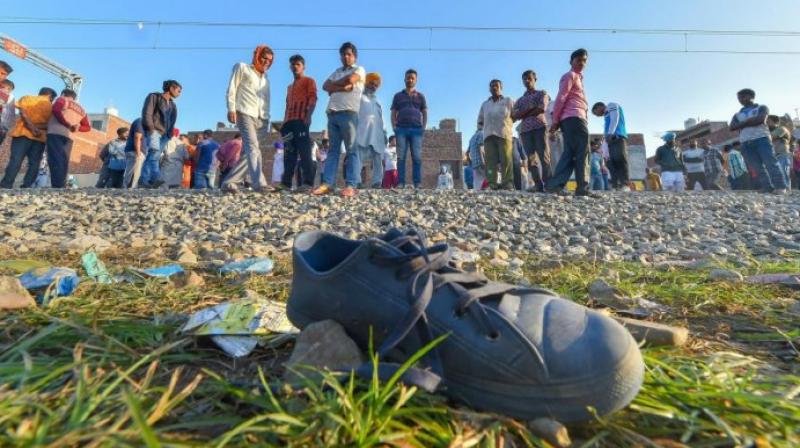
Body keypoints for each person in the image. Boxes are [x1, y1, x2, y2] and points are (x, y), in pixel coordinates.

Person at [313, 42, 366, 197]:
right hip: (332, 113)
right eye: (343, 54)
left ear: (354, 56)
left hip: (349, 113)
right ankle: (328, 184)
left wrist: (334, 87)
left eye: (349, 54)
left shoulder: (359, 69)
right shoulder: (337, 71)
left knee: (352, 149)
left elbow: (351, 79)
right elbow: (325, 86)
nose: (346, 57)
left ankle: (351, 184)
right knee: (333, 151)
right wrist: (341, 87)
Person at [222, 45, 273, 192]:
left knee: (250, 151)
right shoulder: (242, 67)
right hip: (245, 112)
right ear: (257, 56)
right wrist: (231, 108)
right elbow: (232, 88)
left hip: (262, 118)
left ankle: (229, 182)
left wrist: (267, 118)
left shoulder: (266, 79)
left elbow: (266, 100)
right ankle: (259, 183)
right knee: (252, 148)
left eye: (269, 60)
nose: (266, 62)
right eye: (264, 58)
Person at [546, 49, 594, 197]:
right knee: (582, 151)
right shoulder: (570, 76)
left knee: (571, 152)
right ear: (571, 61)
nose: (582, 63)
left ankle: (556, 185)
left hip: (574, 119)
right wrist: (555, 121)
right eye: (579, 60)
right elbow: (561, 98)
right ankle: (581, 187)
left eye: (584, 60)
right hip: (574, 118)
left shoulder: (579, 78)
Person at [729, 88, 787, 194]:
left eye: (743, 97)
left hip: (762, 139)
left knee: (771, 163)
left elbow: (760, 119)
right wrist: (749, 121)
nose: (740, 100)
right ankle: (767, 187)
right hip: (745, 142)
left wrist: (741, 124)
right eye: (739, 98)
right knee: (756, 167)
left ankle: (780, 186)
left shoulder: (762, 107)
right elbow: (732, 127)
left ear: (751, 96)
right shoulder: (737, 114)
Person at [0, 87, 57, 189]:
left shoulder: (27, 98)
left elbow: (22, 113)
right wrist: (36, 128)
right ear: (50, 96)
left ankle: (6, 185)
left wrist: (31, 127)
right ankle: (27, 186)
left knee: (15, 160)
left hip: (22, 133)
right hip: (40, 137)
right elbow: (51, 124)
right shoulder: (52, 107)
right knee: (34, 163)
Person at [279, 54, 317, 193]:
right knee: (289, 153)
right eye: (293, 64)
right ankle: (286, 183)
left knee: (305, 152)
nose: (295, 67)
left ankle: (308, 183)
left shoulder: (309, 81)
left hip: (301, 121)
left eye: (298, 64)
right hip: (288, 123)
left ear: (303, 66)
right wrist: (283, 124)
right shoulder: (289, 87)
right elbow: (287, 105)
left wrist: (308, 116)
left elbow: (313, 98)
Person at [512, 70, 551, 192]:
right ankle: (538, 185)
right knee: (531, 159)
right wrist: (530, 109)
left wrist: (523, 113)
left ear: (535, 79)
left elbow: (542, 108)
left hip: (540, 127)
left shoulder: (542, 93)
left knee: (544, 157)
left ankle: (549, 184)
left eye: (529, 78)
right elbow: (514, 116)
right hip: (525, 131)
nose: (527, 81)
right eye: (524, 79)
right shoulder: (520, 100)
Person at [45, 88, 91, 188]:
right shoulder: (82, 109)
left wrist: (67, 124)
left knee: (55, 159)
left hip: (55, 132)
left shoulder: (62, 99)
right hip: (69, 137)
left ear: (63, 93)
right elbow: (87, 127)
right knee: (64, 160)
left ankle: (57, 186)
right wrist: (77, 128)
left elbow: (56, 110)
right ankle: (61, 184)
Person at [391, 69, 428, 189]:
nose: (410, 80)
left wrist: (423, 127)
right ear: (404, 79)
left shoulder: (421, 96)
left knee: (417, 157)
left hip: (417, 130)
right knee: (401, 157)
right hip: (401, 129)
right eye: (408, 77)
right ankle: (401, 183)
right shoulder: (397, 96)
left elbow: (425, 112)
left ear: (416, 80)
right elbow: (393, 112)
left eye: (412, 78)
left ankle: (417, 183)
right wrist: (394, 127)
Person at [140, 80, 181, 188]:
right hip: (155, 131)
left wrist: (169, 134)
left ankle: (146, 181)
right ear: (171, 88)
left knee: (154, 156)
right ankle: (154, 178)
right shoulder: (154, 97)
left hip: (165, 135)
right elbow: (147, 113)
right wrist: (151, 129)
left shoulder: (173, 105)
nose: (179, 93)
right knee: (153, 154)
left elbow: (172, 121)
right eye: (178, 90)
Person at [477, 80, 514, 190]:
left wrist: (507, 125)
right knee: (490, 161)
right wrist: (482, 129)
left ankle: (507, 183)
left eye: (496, 86)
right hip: (488, 135)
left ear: (501, 87)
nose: (494, 88)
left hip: (504, 134)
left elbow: (515, 114)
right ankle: (491, 183)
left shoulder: (508, 101)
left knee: (506, 159)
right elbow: (480, 120)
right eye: (492, 86)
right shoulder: (485, 104)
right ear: (489, 89)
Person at [355, 73, 386, 189]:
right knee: (358, 157)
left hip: (377, 134)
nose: (373, 86)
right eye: (371, 83)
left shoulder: (378, 101)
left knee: (378, 157)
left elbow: (381, 118)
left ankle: (377, 182)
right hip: (362, 131)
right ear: (366, 83)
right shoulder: (359, 97)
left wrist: (385, 132)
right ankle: (357, 181)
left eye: (376, 85)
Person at [591, 101, 629, 190]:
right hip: (610, 140)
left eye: (595, 113)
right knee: (613, 162)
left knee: (620, 160)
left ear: (599, 107)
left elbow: (615, 118)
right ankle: (616, 185)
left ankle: (625, 184)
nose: (597, 116)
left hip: (618, 137)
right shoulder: (606, 116)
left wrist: (610, 133)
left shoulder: (611, 105)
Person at [768, 114, 792, 188]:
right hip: (775, 155)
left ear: (776, 122)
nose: (767, 123)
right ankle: (780, 188)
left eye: (769, 122)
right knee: (777, 173)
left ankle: (786, 189)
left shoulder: (782, 129)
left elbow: (770, 137)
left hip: (782, 154)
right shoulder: (770, 131)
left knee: (783, 172)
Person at [123, 118, 146, 189]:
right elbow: (137, 137)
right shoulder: (141, 121)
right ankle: (129, 189)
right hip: (135, 151)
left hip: (135, 151)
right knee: (134, 172)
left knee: (133, 171)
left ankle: (129, 188)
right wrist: (138, 154)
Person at [467, 126, 486, 190]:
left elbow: (467, 152)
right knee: (487, 178)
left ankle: (479, 194)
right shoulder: (481, 133)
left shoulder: (472, 138)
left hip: (474, 164)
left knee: (477, 182)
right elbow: (480, 147)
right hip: (480, 162)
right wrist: (483, 160)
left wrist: (470, 162)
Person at [0, 79, 16, 146]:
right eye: (3, 87)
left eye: (9, 89)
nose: (6, 90)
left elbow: (11, 115)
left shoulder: (11, 98)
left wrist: (6, 128)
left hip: (3, 127)